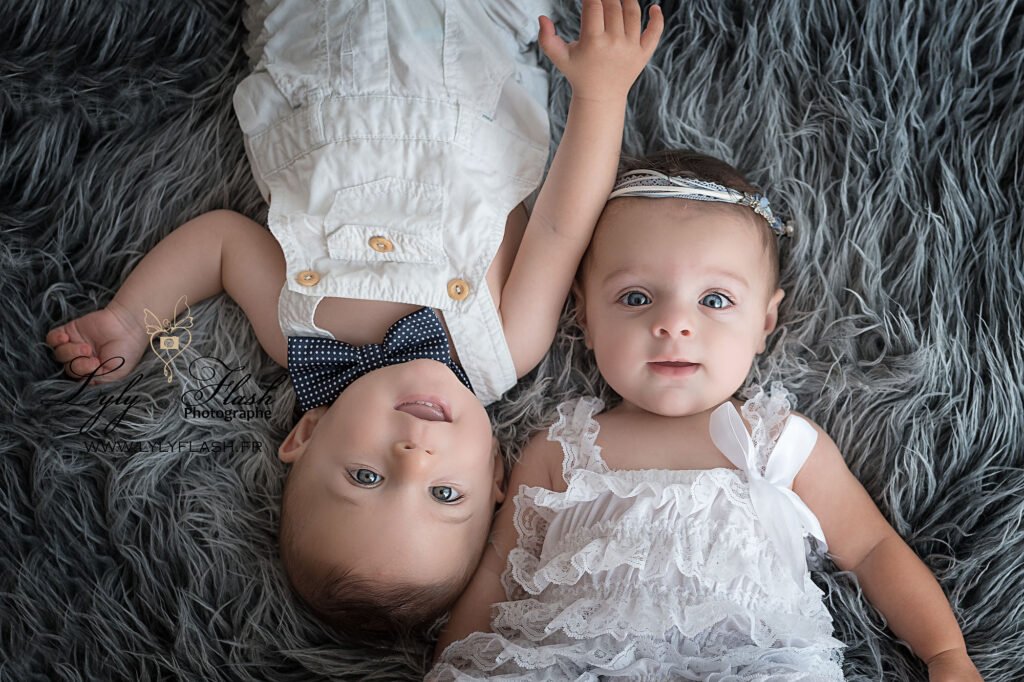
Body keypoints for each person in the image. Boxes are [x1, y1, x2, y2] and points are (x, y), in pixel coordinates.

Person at [44, 0, 662, 642]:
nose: (415, 457)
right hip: (470, 33)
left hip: (318, 34)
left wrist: (131, 317)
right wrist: (602, 95)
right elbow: (563, 226)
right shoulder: (505, 343)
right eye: (444, 496)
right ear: (495, 475)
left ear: (306, 433)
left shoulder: (298, 329)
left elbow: (221, 243)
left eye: (367, 477)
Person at [430, 151, 983, 679]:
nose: (674, 323)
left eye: (714, 300)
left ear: (765, 322)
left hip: (749, 664)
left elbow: (871, 548)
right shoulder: (561, 448)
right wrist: (450, 667)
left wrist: (945, 652)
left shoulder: (778, 441)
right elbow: (496, 573)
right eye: (636, 297)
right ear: (586, 317)